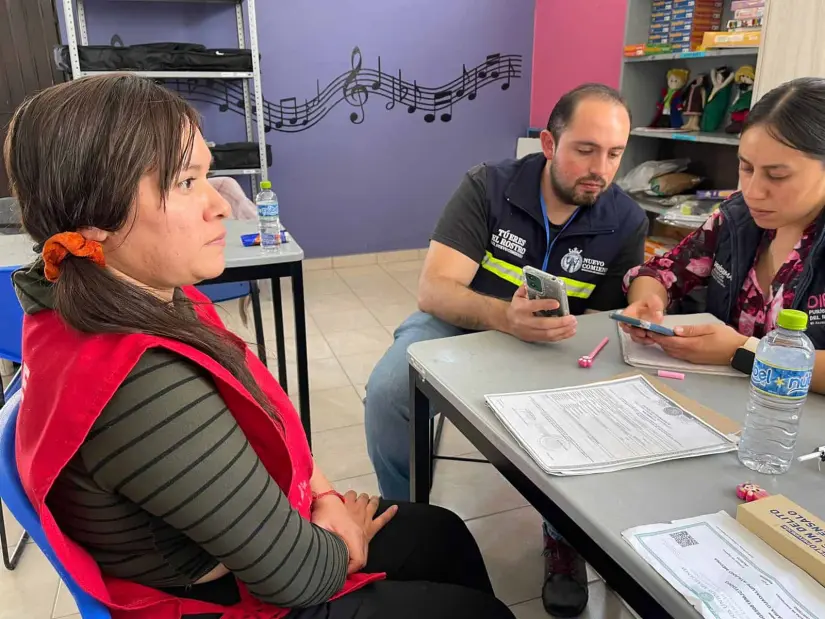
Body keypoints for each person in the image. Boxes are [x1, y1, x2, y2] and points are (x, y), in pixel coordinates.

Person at [6, 75, 515, 619]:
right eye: (184, 182)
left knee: (441, 532)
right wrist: (344, 537)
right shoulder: (138, 386)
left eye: (207, 174)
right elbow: (298, 578)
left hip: (250, 544)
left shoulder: (126, 296)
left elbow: (267, 412)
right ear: (94, 217)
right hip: (221, 597)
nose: (220, 205)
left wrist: (322, 500)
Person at [365, 83, 648, 618]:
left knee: (592, 405)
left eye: (614, 153)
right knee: (388, 391)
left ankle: (563, 537)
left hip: (554, 340)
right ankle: (404, 522)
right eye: (585, 149)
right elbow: (436, 291)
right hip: (461, 323)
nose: (601, 168)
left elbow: (601, 324)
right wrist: (503, 317)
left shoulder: (627, 219)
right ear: (548, 143)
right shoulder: (488, 186)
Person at [623, 76, 825, 394]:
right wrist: (648, 305)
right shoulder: (736, 219)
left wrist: (744, 352)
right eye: (746, 168)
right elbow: (661, 272)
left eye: (777, 175)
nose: (753, 191)